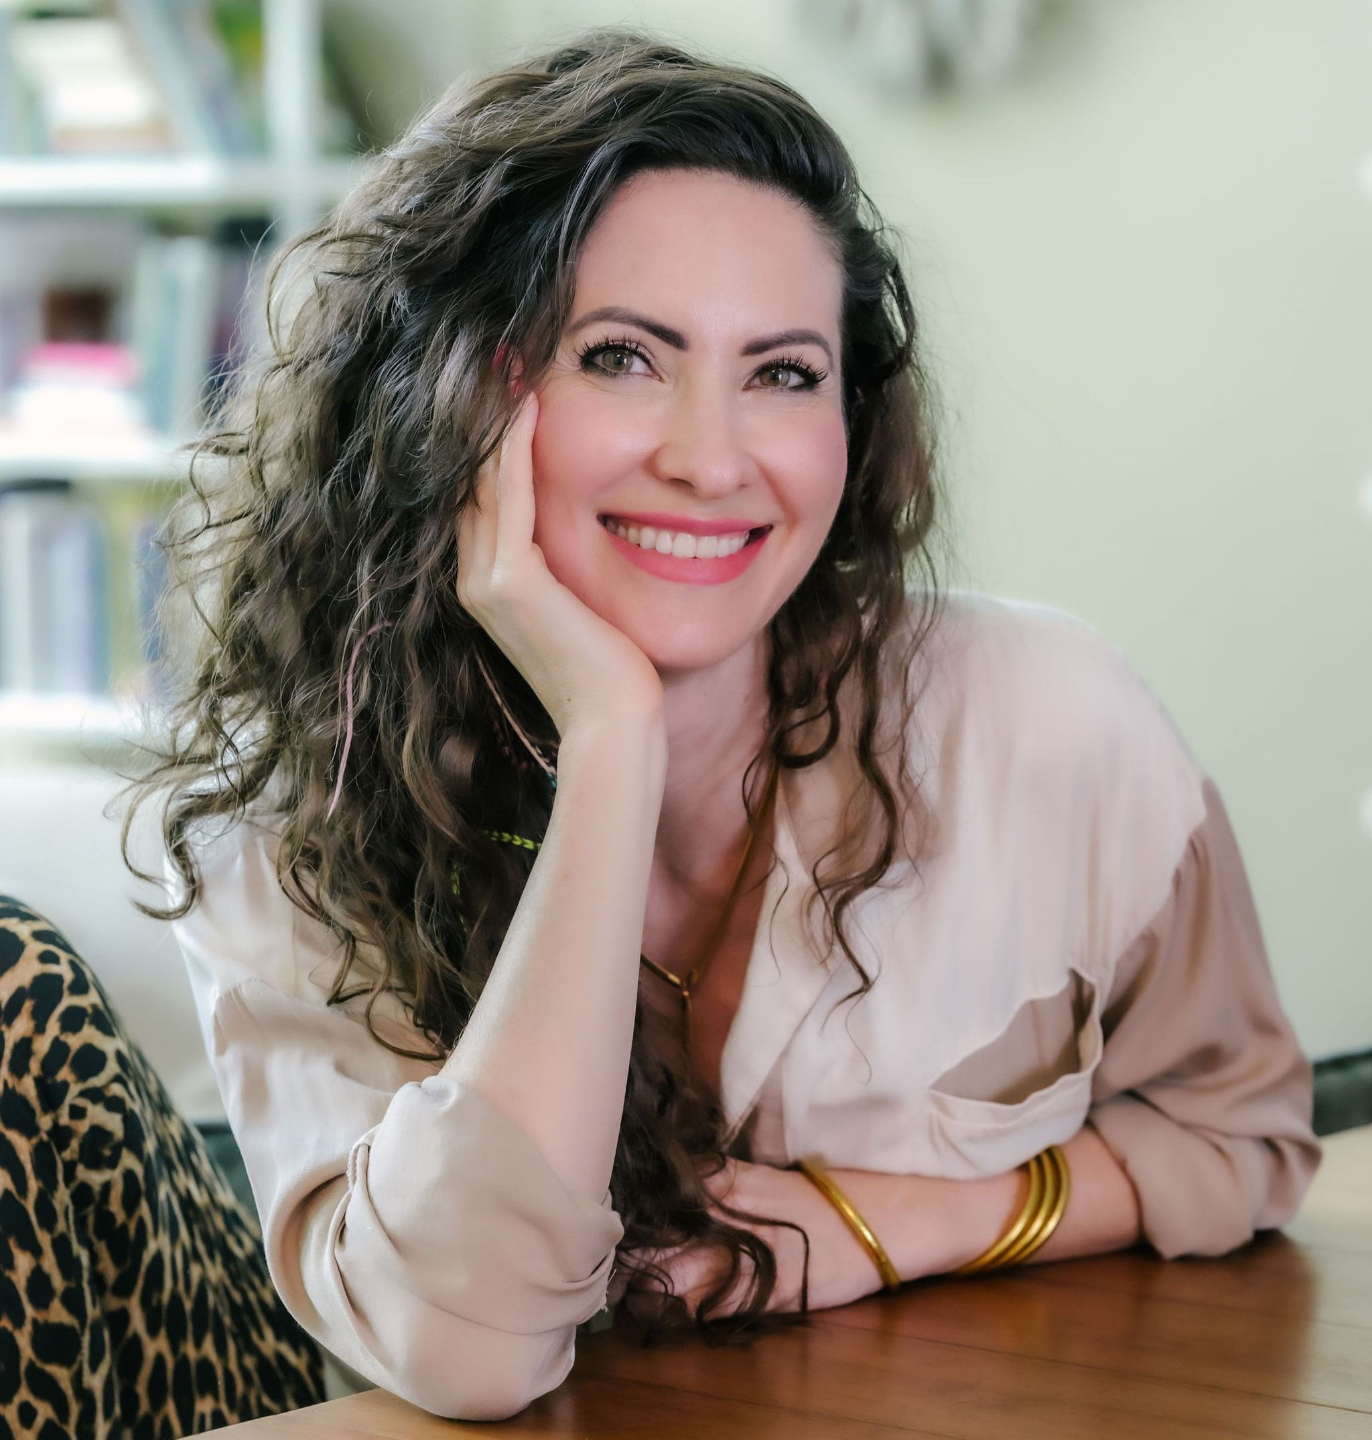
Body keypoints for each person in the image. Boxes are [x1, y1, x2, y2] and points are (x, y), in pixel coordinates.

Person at [2, 25, 1320, 1432]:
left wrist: (901, 1223)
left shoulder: (1051, 723)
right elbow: (471, 1348)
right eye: (623, 356)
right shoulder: (292, 833)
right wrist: (612, 744)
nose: (709, 457)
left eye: (784, 373)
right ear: (450, 394)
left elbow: (1237, 1136)